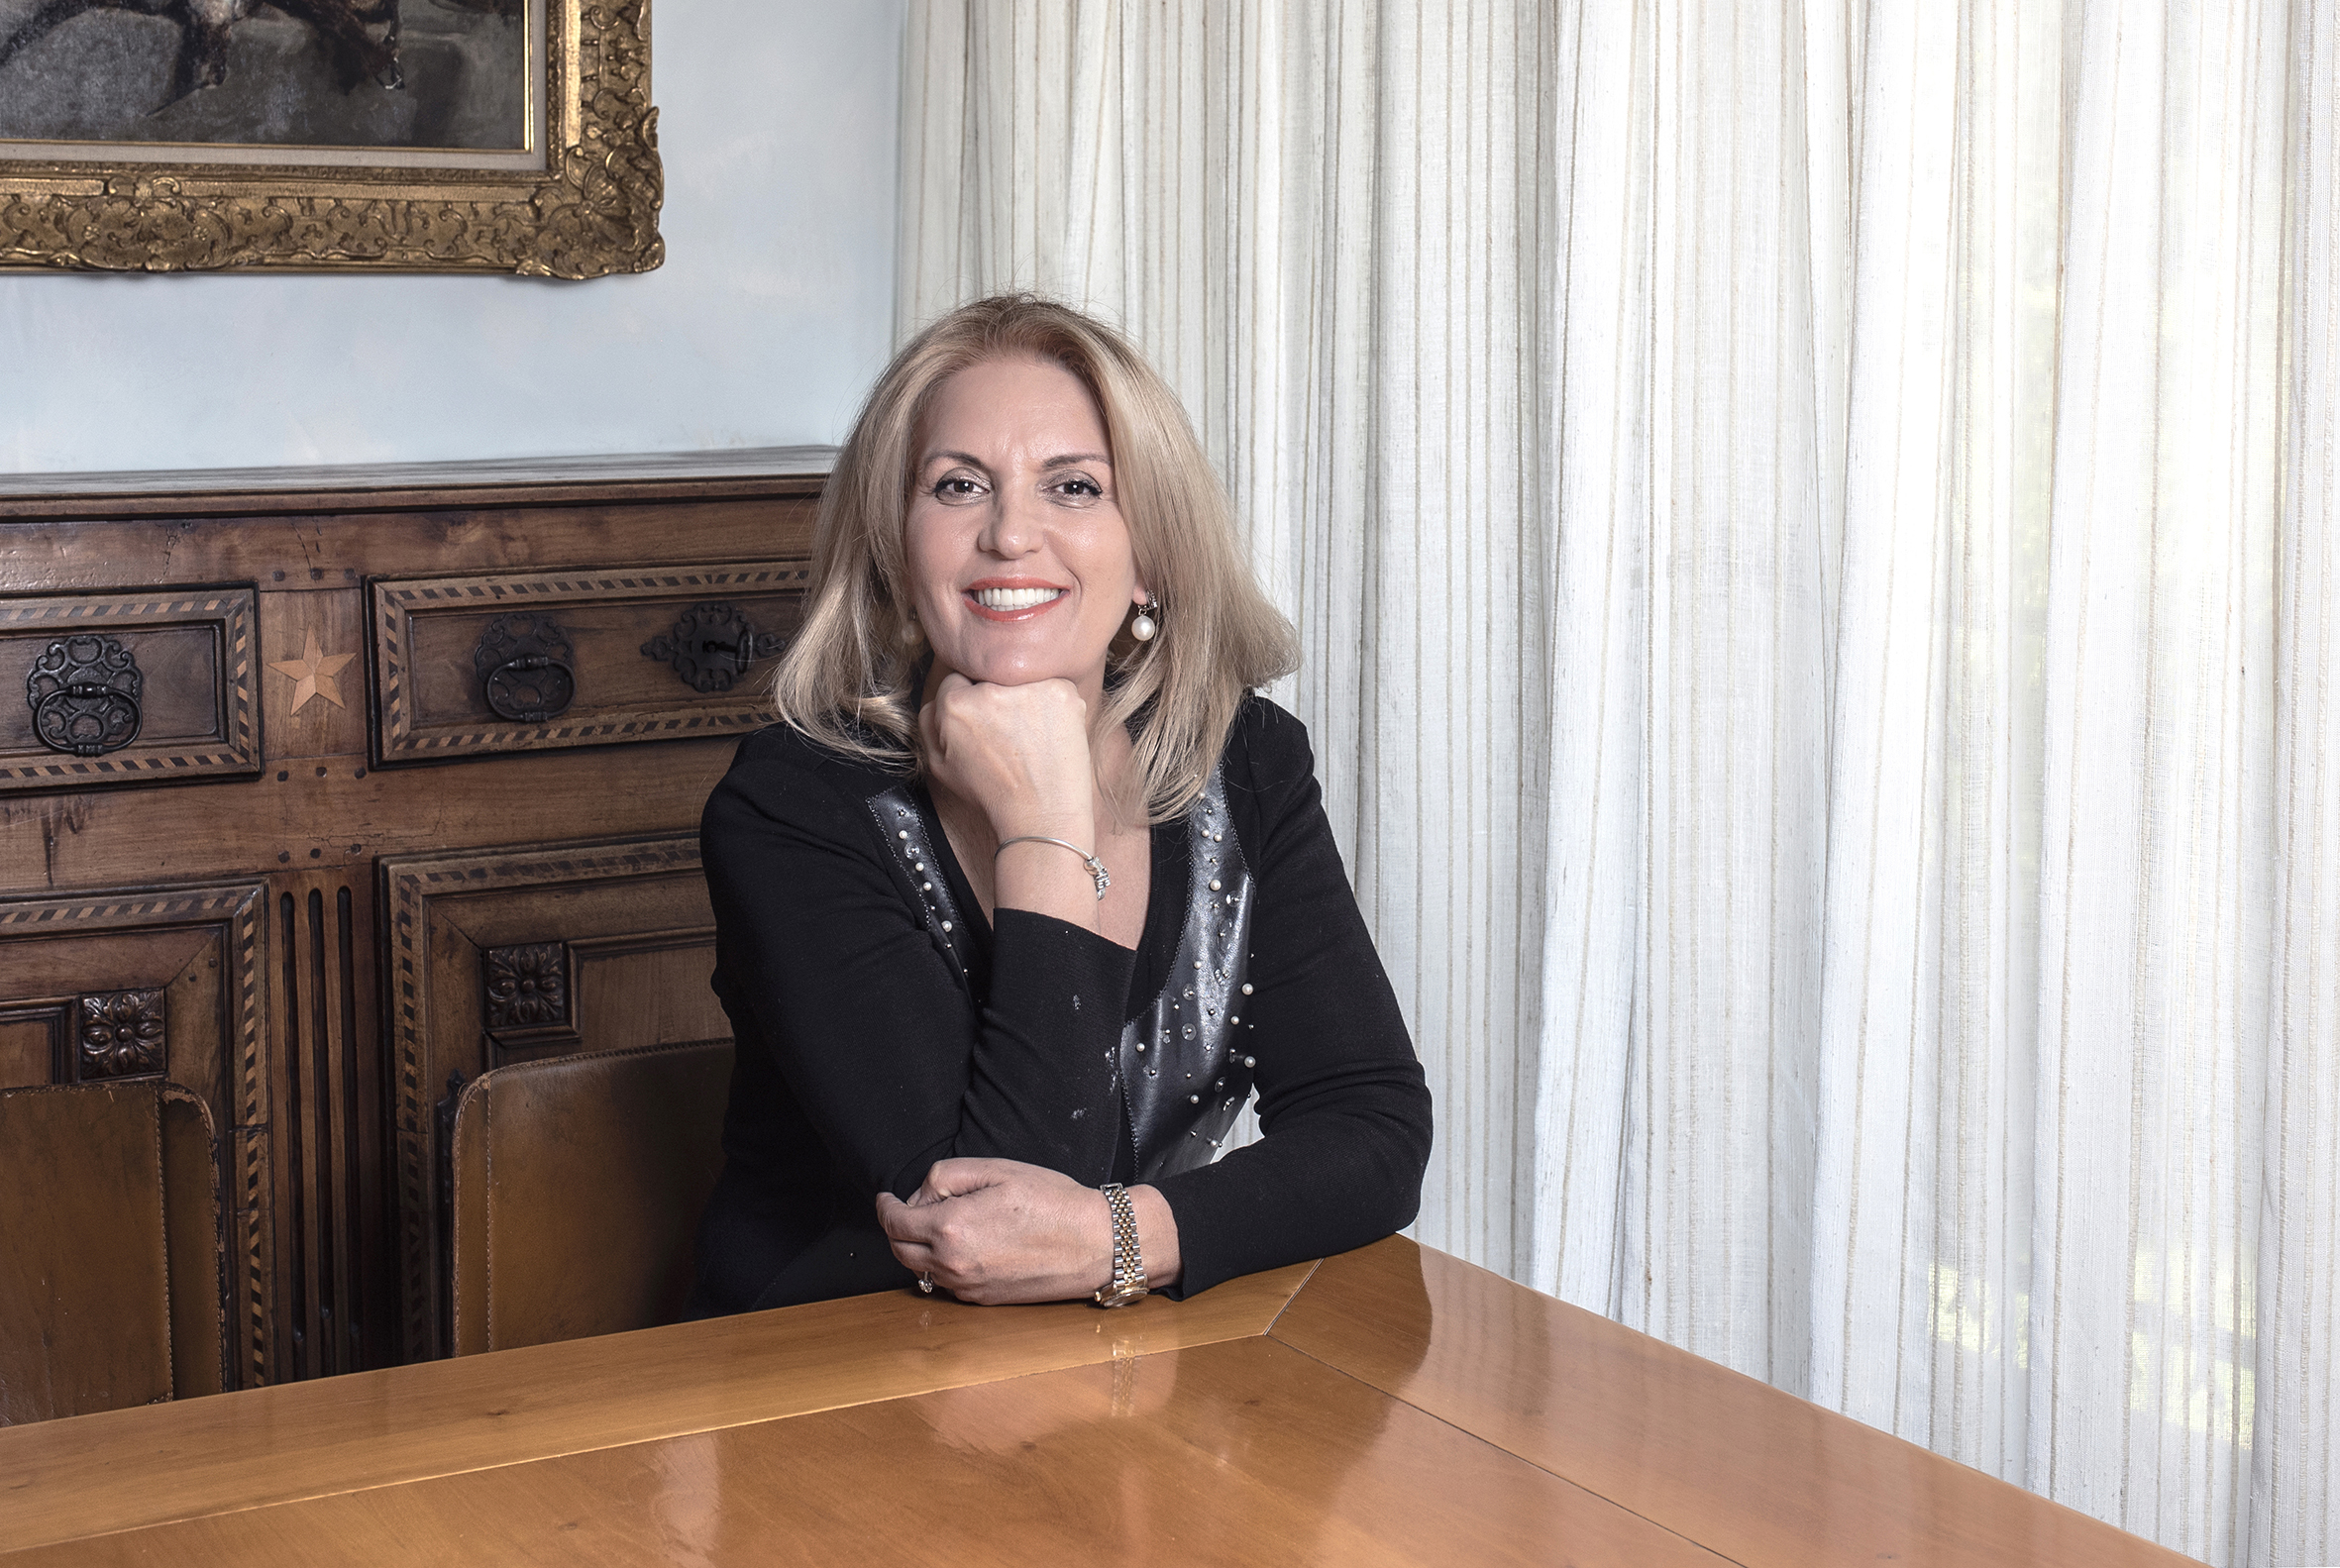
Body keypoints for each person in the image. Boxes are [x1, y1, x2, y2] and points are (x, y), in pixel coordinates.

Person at [687, 295, 1431, 1315]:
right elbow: (987, 1238)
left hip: (1129, 1363)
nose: (1009, 534)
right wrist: (1043, 827)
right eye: (958, 486)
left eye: (1074, 486)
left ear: (1151, 555)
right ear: (896, 544)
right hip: (839, 1372)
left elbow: (1373, 1126)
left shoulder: (1244, 759)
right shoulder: (793, 803)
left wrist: (1122, 1236)